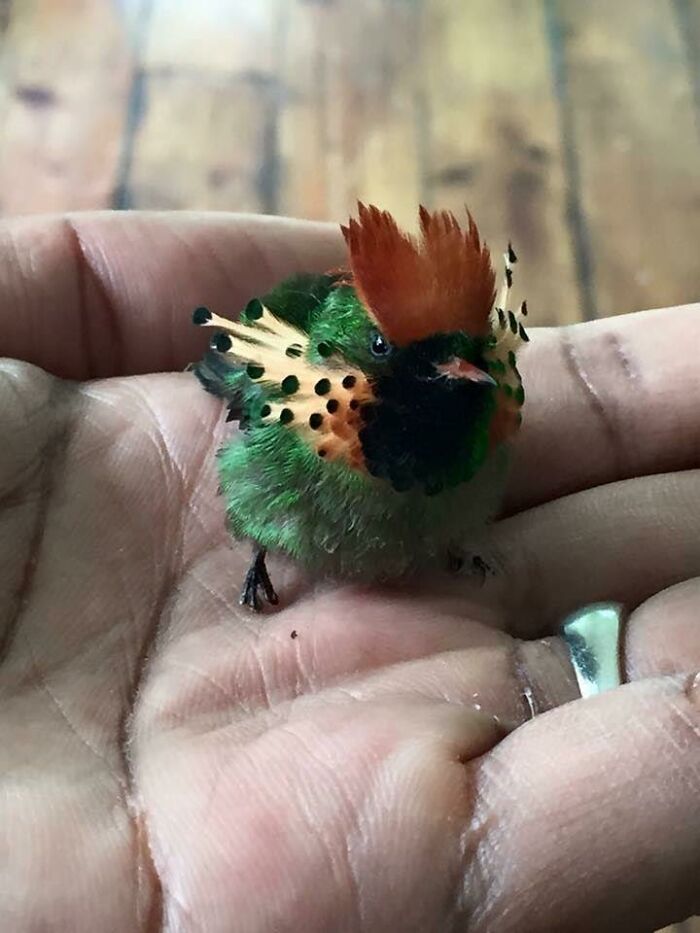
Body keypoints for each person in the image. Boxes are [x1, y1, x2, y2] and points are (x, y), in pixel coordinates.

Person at [0, 211, 698, 933]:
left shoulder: (484, 403)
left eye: (471, 350)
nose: (463, 368)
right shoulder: (297, 403)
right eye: (397, 346)